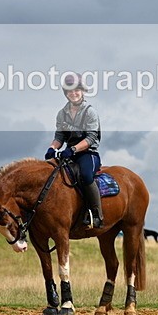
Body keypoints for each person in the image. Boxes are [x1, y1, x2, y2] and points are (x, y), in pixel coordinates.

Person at [45, 73, 104, 229]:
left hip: (88, 153)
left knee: (85, 175)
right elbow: (59, 136)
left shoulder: (90, 112)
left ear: (82, 91)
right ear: (66, 93)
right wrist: (52, 148)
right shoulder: (62, 114)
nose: (73, 93)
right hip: (69, 154)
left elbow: (91, 137)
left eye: (76, 90)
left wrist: (73, 149)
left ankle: (96, 214)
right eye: (70, 91)